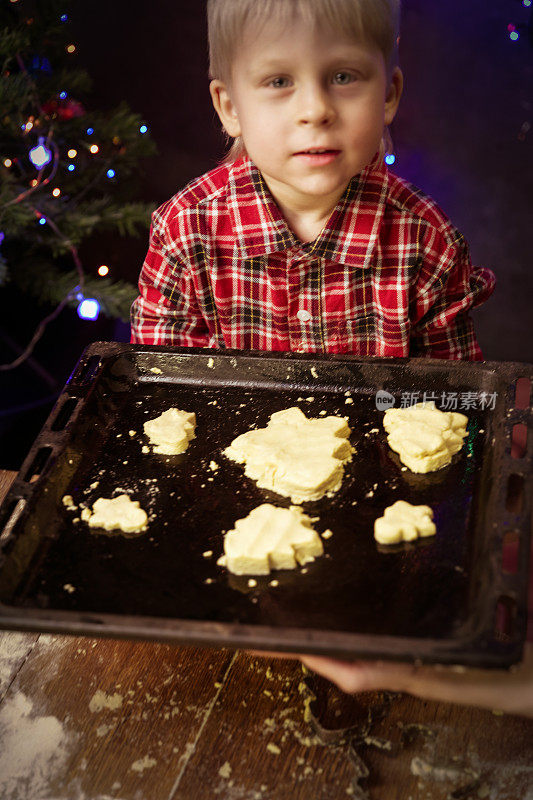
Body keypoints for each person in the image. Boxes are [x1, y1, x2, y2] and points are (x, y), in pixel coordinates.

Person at [129, 0, 533, 717]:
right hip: (230, 538)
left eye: (343, 76)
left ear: (389, 95)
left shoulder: (424, 240)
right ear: (228, 105)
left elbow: (461, 404)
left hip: (377, 539)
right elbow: (158, 399)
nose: (314, 109)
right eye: (277, 81)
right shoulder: (185, 233)